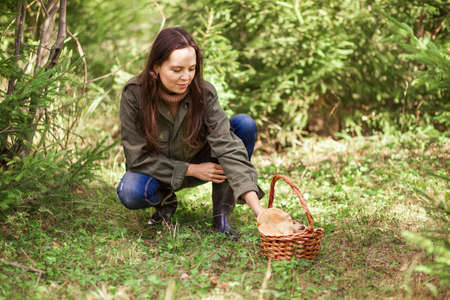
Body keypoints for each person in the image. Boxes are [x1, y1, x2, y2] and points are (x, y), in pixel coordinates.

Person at [117, 27, 265, 239]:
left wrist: (258, 210)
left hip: (202, 160)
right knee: (130, 192)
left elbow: (227, 146)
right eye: (176, 70)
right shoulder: (134, 94)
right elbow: (136, 157)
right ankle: (164, 201)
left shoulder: (204, 93)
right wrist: (191, 169)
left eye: (191, 69)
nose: (185, 77)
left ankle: (222, 214)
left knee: (244, 125)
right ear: (156, 66)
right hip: (158, 170)